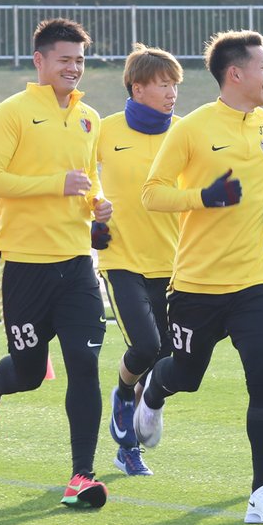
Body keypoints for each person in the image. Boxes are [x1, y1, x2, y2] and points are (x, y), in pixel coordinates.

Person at [136, 30, 263, 525]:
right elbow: (152, 194)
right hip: (196, 287)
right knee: (185, 376)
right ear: (235, 74)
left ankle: (261, 493)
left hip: (253, 283)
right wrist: (203, 197)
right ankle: (153, 393)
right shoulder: (192, 128)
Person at [0, 17, 111, 509]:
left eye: (79, 60)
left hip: (75, 264)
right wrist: (57, 184)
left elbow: (89, 180)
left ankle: (82, 476)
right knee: (29, 374)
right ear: (40, 61)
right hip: (23, 265)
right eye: (64, 59)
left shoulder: (90, 116)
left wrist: (99, 206)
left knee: (86, 363)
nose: (74, 68)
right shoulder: (11, 112)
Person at [96, 43, 184, 477]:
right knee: (145, 346)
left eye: (174, 84)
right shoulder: (104, 129)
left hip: (176, 263)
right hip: (122, 260)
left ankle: (143, 408)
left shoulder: (186, 131)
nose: (171, 93)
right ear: (137, 87)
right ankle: (124, 409)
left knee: (170, 357)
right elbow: (77, 181)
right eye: (162, 84)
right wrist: (89, 218)